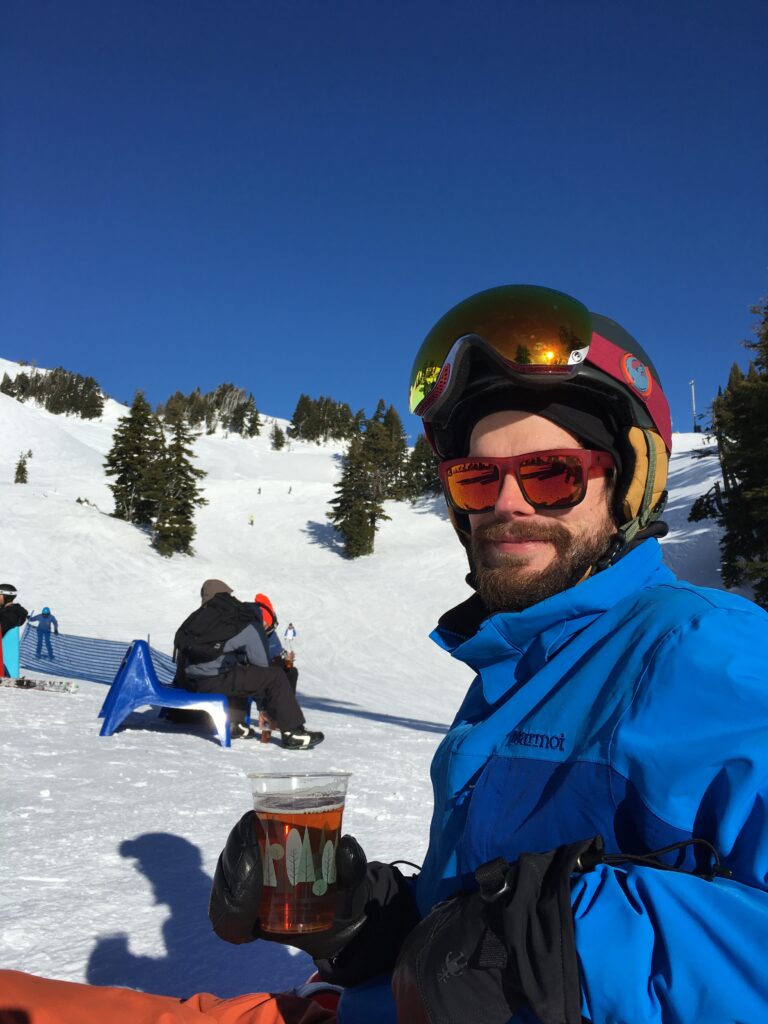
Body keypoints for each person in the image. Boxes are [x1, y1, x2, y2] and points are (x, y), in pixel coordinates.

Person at [8, 285, 768, 1022]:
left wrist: (551, 945)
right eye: (476, 479)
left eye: (551, 474)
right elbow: (466, 942)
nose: (507, 504)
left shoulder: (709, 652)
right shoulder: (516, 673)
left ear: (630, 482)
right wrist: (365, 924)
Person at [175, 579, 322, 750]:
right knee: (274, 677)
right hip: (210, 683)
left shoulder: (200, 618)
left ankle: (234, 724)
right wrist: (263, 707)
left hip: (187, 681)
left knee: (238, 672)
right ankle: (293, 732)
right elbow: (262, 667)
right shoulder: (244, 622)